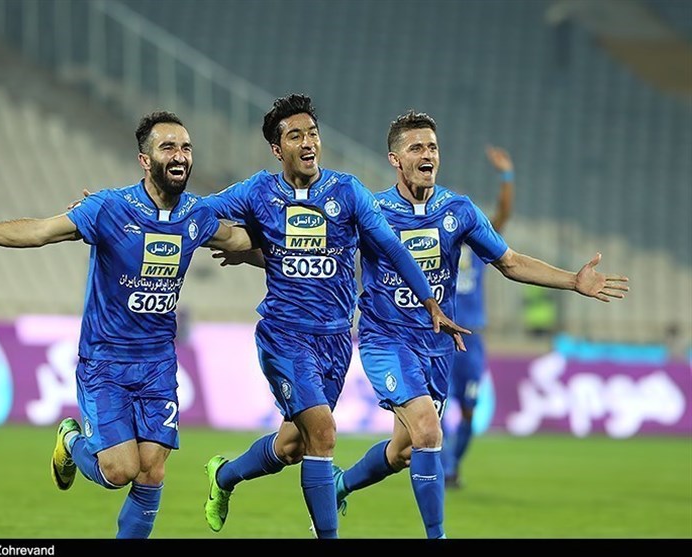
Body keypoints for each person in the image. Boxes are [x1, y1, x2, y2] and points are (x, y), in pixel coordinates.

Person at [0, 111, 254, 539]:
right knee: (119, 471)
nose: (180, 155)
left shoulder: (195, 215)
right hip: (105, 362)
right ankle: (71, 440)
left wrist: (299, 251)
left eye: (185, 147)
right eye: (168, 147)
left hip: (158, 364)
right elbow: (40, 231)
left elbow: (240, 240)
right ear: (145, 160)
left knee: (152, 471)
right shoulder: (109, 208)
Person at [329, 110, 628, 538]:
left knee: (403, 451)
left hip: (437, 345)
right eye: (416, 148)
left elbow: (509, 261)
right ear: (395, 159)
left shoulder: (459, 210)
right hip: (386, 340)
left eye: (432, 147)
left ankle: (340, 485)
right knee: (428, 431)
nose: (427, 154)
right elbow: (327, 251)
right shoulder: (372, 211)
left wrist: (572, 280)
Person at [200, 94, 469, 539]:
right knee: (324, 433)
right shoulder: (258, 191)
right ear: (277, 149)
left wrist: (430, 302)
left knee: (292, 446)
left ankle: (224, 476)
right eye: (296, 136)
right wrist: (124, 209)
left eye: (313, 133)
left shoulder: (347, 192)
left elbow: (392, 247)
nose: (308, 142)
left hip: (336, 338)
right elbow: (196, 212)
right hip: (285, 336)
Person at [441, 145, 514, 489]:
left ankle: (453, 464)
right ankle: (442, 466)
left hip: (472, 337)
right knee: (434, 407)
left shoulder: (478, 244)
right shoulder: (435, 243)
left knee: (468, 409)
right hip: (439, 334)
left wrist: (507, 176)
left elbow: (503, 214)